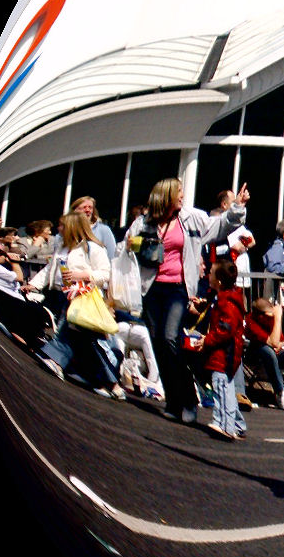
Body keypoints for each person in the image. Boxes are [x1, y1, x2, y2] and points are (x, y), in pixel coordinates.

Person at [126, 177, 249, 422]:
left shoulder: (191, 218)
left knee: (170, 338)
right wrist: (135, 244)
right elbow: (128, 247)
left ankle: (189, 400)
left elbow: (221, 226)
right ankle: (173, 402)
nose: (182, 196)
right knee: (158, 343)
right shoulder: (144, 223)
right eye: (179, 191)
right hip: (151, 288)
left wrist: (237, 207)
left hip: (178, 289)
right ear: (166, 196)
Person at [29, 211, 124, 399]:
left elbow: (106, 274)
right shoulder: (62, 247)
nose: (58, 229)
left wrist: (83, 275)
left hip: (83, 298)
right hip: (63, 296)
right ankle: (110, 382)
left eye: (62, 225)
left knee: (80, 336)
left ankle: (58, 361)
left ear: (72, 227)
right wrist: (34, 284)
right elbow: (49, 269)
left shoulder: (92, 248)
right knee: (81, 339)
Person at [198, 258, 247, 440]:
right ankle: (237, 425)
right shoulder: (225, 298)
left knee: (221, 387)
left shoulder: (227, 302)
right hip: (227, 353)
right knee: (228, 389)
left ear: (218, 281)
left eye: (211, 273)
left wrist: (208, 340)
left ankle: (224, 425)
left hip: (223, 353)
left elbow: (225, 329)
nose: (208, 275)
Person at [245, 296, 284, 410]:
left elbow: (281, 340)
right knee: (267, 350)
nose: (272, 317)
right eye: (269, 315)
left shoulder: (269, 318)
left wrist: (275, 343)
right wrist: (278, 318)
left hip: (273, 355)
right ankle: (280, 392)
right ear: (260, 316)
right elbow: (274, 342)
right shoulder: (251, 321)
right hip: (257, 358)